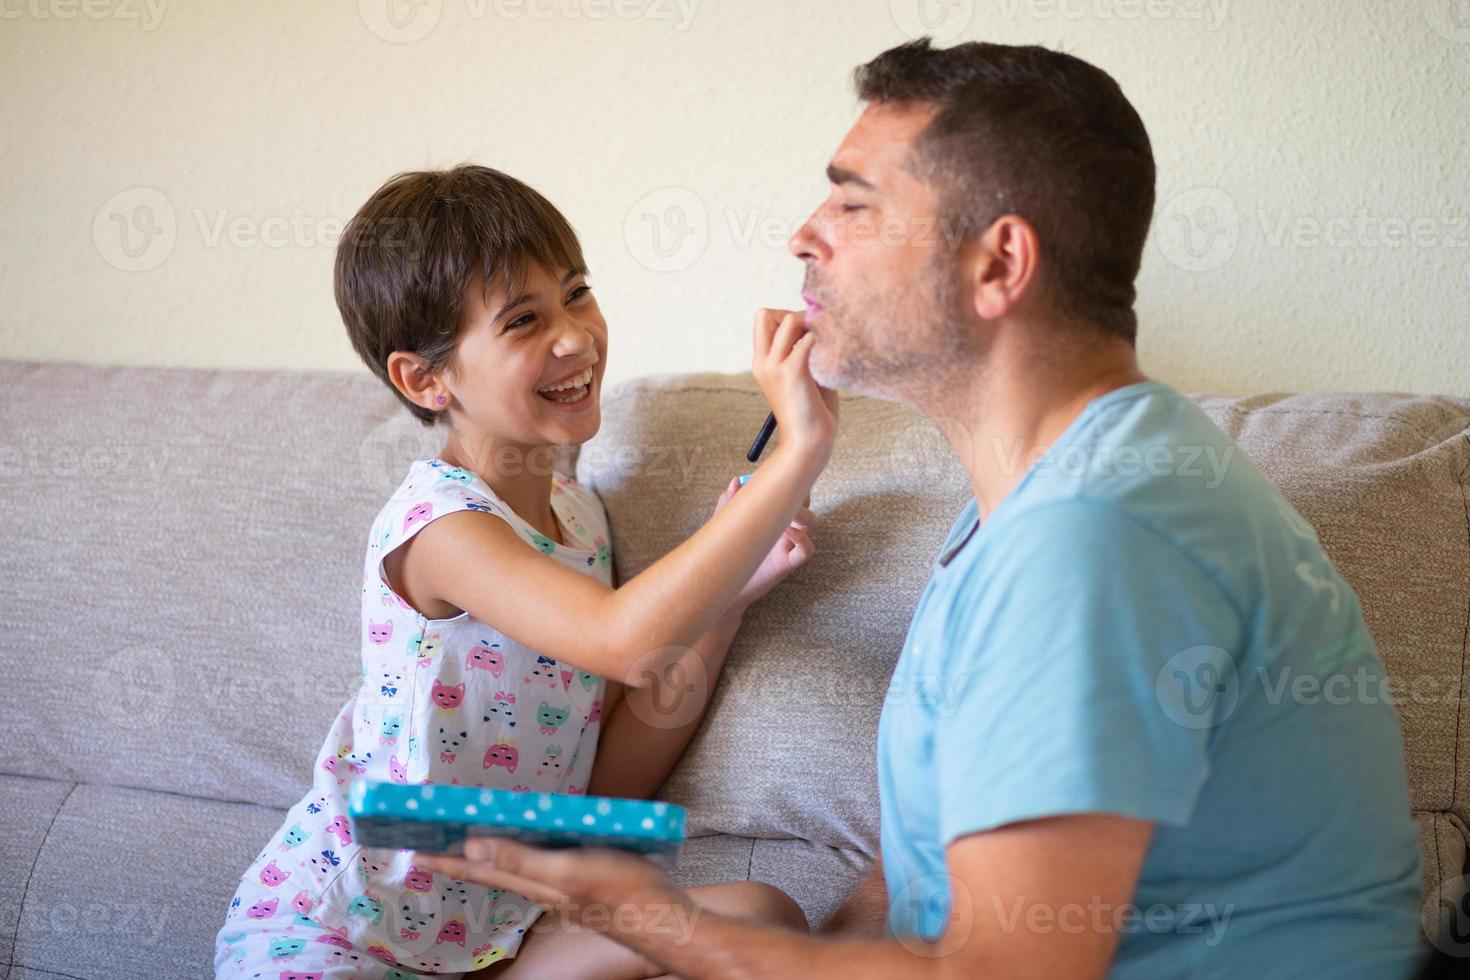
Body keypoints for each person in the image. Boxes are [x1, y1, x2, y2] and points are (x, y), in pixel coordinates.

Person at [416, 39, 1427, 979]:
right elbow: (897, 889)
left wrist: (648, 916)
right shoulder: (1014, 518)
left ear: (997, 264)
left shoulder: (1101, 537)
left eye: (852, 206)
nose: (801, 238)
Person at [212, 164, 828, 978]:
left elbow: (599, 792)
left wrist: (725, 607)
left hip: (493, 942)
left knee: (764, 919)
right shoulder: (442, 529)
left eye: (576, 293)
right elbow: (623, 639)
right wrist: (801, 446)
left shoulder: (580, 521)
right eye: (524, 320)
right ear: (425, 378)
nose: (574, 336)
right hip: (338, 935)